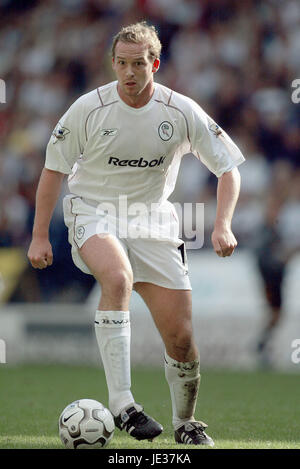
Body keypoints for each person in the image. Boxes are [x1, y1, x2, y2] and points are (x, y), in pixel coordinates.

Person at [28, 22, 244, 446]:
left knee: (182, 341)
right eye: (122, 63)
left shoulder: (180, 110)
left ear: (155, 65)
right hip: (93, 210)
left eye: (138, 63)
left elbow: (228, 168)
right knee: (118, 277)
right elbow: (53, 171)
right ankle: (122, 403)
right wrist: (39, 236)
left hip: (153, 221)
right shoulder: (87, 109)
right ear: (113, 63)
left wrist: (222, 224)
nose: (129, 72)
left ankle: (186, 423)